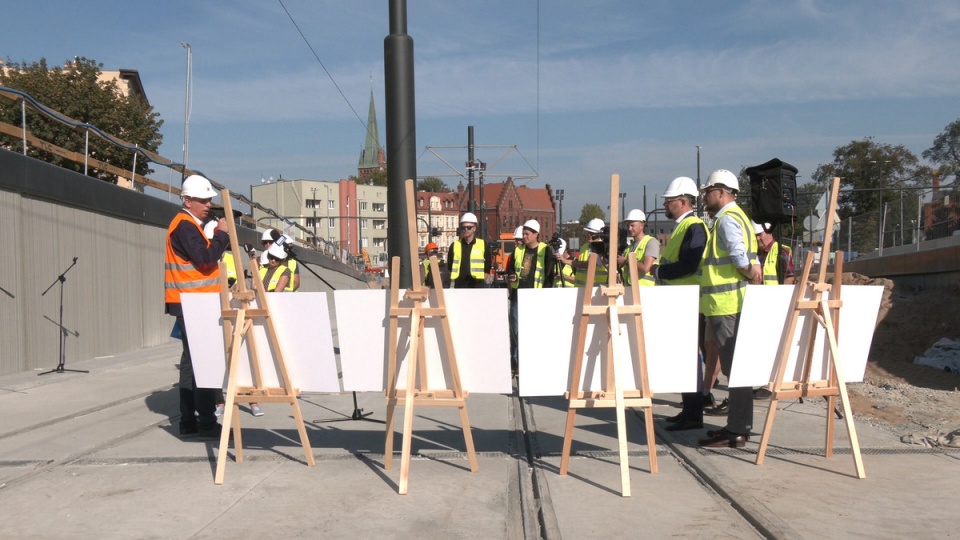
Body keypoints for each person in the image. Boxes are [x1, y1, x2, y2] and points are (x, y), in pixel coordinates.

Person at [697, 170, 761, 448]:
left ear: (722, 192)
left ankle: (737, 428)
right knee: (737, 368)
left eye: (708, 192)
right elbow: (751, 253)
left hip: (726, 306)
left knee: (735, 370)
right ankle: (736, 425)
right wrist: (752, 268)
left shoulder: (725, 220)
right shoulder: (741, 218)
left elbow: (738, 256)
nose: (705, 197)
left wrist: (750, 273)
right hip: (729, 304)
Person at [165, 174, 229, 440]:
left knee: (192, 364)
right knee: (202, 364)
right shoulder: (185, 226)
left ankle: (190, 421)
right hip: (194, 303)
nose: (208, 205)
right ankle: (205, 422)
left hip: (191, 302)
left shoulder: (189, 224)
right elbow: (204, 260)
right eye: (203, 201)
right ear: (187, 201)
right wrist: (222, 236)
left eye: (209, 200)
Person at [652, 177, 710, 432]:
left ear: (683, 202)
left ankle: (694, 412)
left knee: (690, 360)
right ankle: (689, 409)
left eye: (670, 200)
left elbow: (690, 264)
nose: (666, 203)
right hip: (680, 302)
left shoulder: (694, 227)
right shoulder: (684, 227)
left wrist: (660, 272)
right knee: (685, 359)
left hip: (687, 301)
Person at [507, 219, 557, 374]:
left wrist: (545, 295)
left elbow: (549, 275)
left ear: (536, 234)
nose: (524, 236)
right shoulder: (518, 250)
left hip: (536, 297)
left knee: (532, 332)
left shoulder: (545, 250)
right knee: (516, 332)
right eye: (524, 233)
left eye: (527, 234)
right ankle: (516, 363)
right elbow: (510, 270)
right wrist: (511, 276)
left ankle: (528, 363)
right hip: (518, 296)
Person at [558, 218, 608, 286]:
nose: (589, 235)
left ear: (600, 234)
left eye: (592, 233)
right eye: (588, 232)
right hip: (580, 289)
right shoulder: (585, 247)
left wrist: (566, 261)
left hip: (597, 290)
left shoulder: (603, 248)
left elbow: (589, 264)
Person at [447, 212, 491, 288]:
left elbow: (488, 262)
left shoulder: (482, 244)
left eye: (469, 227)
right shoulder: (454, 245)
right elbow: (450, 264)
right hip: (460, 284)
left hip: (477, 284)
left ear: (474, 228)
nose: (466, 230)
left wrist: (485, 274)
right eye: (463, 228)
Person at [617, 209, 659, 286]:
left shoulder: (651, 242)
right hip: (630, 290)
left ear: (642, 226)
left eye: (632, 225)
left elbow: (646, 268)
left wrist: (626, 261)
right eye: (628, 225)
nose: (629, 228)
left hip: (647, 291)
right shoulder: (629, 247)